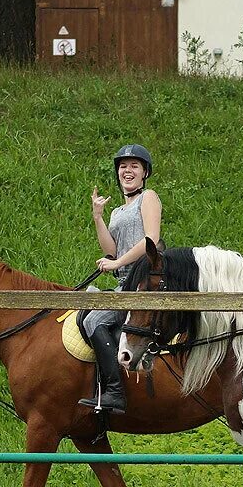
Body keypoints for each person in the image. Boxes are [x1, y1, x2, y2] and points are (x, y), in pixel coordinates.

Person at [78, 144, 162, 414]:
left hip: (143, 282)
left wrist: (116, 263)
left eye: (134, 166)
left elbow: (151, 240)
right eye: (123, 166)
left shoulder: (148, 198)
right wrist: (98, 217)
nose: (127, 170)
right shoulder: (117, 212)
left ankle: (115, 391)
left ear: (144, 172)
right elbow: (110, 250)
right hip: (124, 282)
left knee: (94, 320)